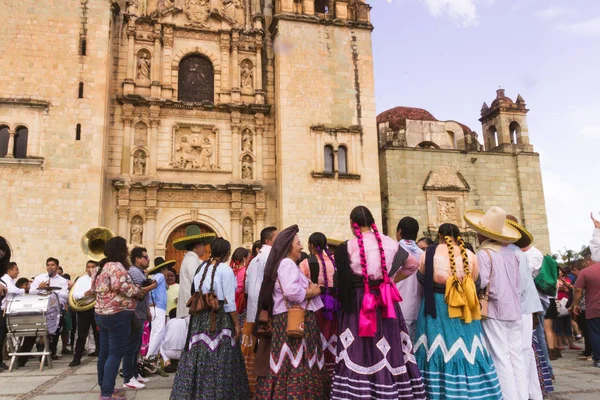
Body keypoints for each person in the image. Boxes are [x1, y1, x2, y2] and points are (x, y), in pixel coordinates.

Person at [331, 206, 425, 399]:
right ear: (373, 221)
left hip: (358, 303)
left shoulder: (348, 246)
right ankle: (388, 389)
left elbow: (337, 278)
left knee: (359, 344)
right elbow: (413, 264)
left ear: (352, 224)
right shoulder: (389, 243)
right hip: (385, 300)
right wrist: (391, 280)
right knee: (387, 342)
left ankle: (358, 391)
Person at [414, 223, 502, 399]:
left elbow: (422, 277)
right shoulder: (469, 254)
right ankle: (475, 390)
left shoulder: (429, 253)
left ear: (439, 235)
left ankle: (437, 391)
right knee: (469, 345)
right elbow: (476, 281)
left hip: (437, 306)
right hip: (464, 307)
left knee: (435, 346)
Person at [253, 225, 328, 399]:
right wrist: (313, 291)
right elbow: (292, 292)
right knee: (295, 361)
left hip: (290, 319)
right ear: (288, 246)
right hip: (293, 319)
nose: (301, 246)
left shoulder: (287, 264)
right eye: (298, 243)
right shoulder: (286, 263)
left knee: (292, 362)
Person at [170, 238, 249, 399]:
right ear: (227, 253)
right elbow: (229, 302)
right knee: (221, 357)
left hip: (200, 321)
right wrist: (236, 324)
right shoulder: (225, 270)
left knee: (200, 355)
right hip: (219, 319)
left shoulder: (202, 267)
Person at [465, 206, 527, 400]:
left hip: (495, 309)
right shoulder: (512, 253)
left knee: (500, 356)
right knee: (516, 355)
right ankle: (522, 395)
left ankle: (509, 397)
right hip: (514, 309)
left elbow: (482, 281)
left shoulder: (485, 253)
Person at [92, 237, 146, 400]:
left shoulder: (99, 267)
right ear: (120, 250)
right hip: (117, 314)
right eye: (125, 248)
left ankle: (105, 386)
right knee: (115, 354)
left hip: (101, 313)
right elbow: (120, 286)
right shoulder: (117, 267)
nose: (127, 251)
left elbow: (93, 288)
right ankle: (107, 394)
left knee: (104, 353)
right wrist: (137, 291)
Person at [506, 216, 544, 399]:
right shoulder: (517, 254)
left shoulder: (527, 255)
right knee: (520, 351)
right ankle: (528, 392)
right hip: (518, 307)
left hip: (522, 308)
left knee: (523, 350)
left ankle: (529, 393)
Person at [298, 232, 338, 378]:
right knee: (332, 336)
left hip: (315, 306)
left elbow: (301, 286)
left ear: (311, 246)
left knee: (316, 337)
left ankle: (316, 371)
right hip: (333, 306)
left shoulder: (306, 263)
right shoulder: (334, 262)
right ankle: (332, 370)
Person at [244, 226, 278, 389]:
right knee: (267, 350)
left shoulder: (254, 260)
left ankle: (255, 385)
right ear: (269, 240)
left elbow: (247, 285)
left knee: (258, 349)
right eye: (277, 237)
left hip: (254, 312)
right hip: (268, 311)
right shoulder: (272, 256)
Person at [18, 257, 69, 365]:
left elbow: (65, 296)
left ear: (57, 267)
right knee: (31, 334)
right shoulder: (40, 278)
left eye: (52, 265)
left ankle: (46, 355)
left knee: (52, 333)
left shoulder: (62, 281)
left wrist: (52, 291)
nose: (50, 267)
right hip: (39, 310)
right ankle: (21, 359)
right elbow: (30, 292)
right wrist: (39, 288)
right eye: (48, 265)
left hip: (53, 311)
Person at [122, 247, 156, 389]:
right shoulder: (135, 273)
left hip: (140, 312)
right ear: (137, 259)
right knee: (131, 347)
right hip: (135, 313)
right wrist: (152, 286)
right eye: (145, 257)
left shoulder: (139, 272)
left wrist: (147, 309)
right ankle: (128, 377)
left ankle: (135, 374)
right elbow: (136, 292)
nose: (148, 259)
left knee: (136, 346)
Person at [174, 226, 216, 319]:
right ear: (196, 246)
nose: (204, 248)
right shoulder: (192, 260)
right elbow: (198, 283)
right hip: (190, 309)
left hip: (188, 309)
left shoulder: (191, 259)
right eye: (202, 245)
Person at [396, 216, 423, 341]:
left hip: (397, 308)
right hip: (418, 309)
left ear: (399, 232)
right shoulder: (423, 254)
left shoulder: (393, 250)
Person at [69, 260, 101, 367]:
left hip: (97, 308)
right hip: (84, 309)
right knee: (82, 334)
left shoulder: (101, 278)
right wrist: (85, 294)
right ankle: (77, 357)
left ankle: (102, 356)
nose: (90, 269)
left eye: (93, 267)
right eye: (88, 267)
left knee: (99, 333)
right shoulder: (81, 280)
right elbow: (75, 295)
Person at [572, 254, 600, 367]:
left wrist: (575, 304)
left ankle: (598, 359)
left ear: (589, 260)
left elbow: (578, 290)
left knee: (596, 334)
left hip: (594, 308)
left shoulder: (586, 272)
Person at [146, 257, 175, 358]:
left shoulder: (159, 277)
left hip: (155, 307)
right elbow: (154, 284)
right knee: (159, 332)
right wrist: (144, 290)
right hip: (158, 307)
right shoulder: (160, 276)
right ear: (163, 268)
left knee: (155, 333)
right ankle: (149, 356)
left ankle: (151, 356)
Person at [0, 261, 25, 370]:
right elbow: (11, 290)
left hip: (7, 311)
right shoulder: (5, 279)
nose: (17, 272)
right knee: (0, 337)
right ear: (9, 270)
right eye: (16, 270)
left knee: (3, 337)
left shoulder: (9, 280)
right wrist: (24, 289)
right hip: (2, 311)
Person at [161, 308, 186, 373]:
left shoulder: (169, 322)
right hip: (183, 354)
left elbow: (164, 336)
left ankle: (167, 362)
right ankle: (184, 364)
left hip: (169, 353)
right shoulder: (186, 321)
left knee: (159, 341)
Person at [230, 247, 250, 324]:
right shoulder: (246, 271)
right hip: (241, 303)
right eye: (248, 257)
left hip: (231, 303)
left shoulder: (230, 270)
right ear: (244, 258)